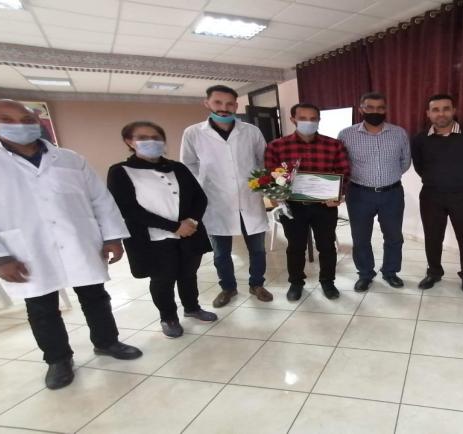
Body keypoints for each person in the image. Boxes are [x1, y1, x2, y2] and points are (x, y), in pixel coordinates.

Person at [0, 99, 142, 390]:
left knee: (96, 297)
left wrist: (112, 237)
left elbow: (101, 199)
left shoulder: (70, 159)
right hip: (24, 249)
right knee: (42, 307)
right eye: (7, 120)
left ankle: (107, 342)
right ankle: (58, 359)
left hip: (79, 241)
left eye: (26, 119)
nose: (20, 125)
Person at [108, 121, 217, 338]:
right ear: (129, 142)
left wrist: (191, 222)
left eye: (156, 137)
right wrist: (175, 227)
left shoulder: (178, 168)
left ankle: (192, 307)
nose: (151, 142)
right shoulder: (120, 171)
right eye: (143, 138)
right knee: (163, 279)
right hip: (152, 239)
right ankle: (168, 317)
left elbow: (200, 198)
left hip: (189, 233)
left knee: (188, 274)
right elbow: (128, 209)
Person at [180, 85, 272, 308]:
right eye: (218, 102)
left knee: (258, 249)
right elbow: (187, 164)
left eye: (229, 103)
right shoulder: (193, 133)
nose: (224, 107)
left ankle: (257, 284)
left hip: (249, 198)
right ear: (207, 103)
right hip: (215, 201)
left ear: (236, 105)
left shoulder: (251, 131)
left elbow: (264, 160)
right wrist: (202, 186)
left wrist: (263, 185)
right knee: (221, 253)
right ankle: (228, 288)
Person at [265, 103, 350, 301]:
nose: (309, 122)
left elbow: (344, 172)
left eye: (313, 119)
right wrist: (276, 195)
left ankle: (327, 281)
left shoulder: (334, 145)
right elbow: (270, 175)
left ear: (319, 120)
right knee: (295, 247)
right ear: (293, 119)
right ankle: (296, 283)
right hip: (292, 206)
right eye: (303, 118)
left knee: (327, 246)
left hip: (325, 206)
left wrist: (338, 194)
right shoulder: (276, 146)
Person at [411, 94, 463, 293]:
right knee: (432, 237)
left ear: (454, 111)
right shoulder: (420, 139)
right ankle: (434, 273)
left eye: (446, 108)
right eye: (436, 109)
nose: (441, 113)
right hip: (431, 196)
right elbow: (419, 166)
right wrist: (436, 180)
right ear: (428, 113)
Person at [338, 92, 411, 292]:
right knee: (361, 238)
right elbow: (342, 164)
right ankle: (365, 274)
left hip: (392, 194)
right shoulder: (346, 135)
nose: (375, 111)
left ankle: (390, 272)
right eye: (370, 107)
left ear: (386, 109)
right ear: (361, 109)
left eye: (380, 108)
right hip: (359, 194)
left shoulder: (399, 133)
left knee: (394, 236)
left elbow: (405, 162)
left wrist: (388, 178)